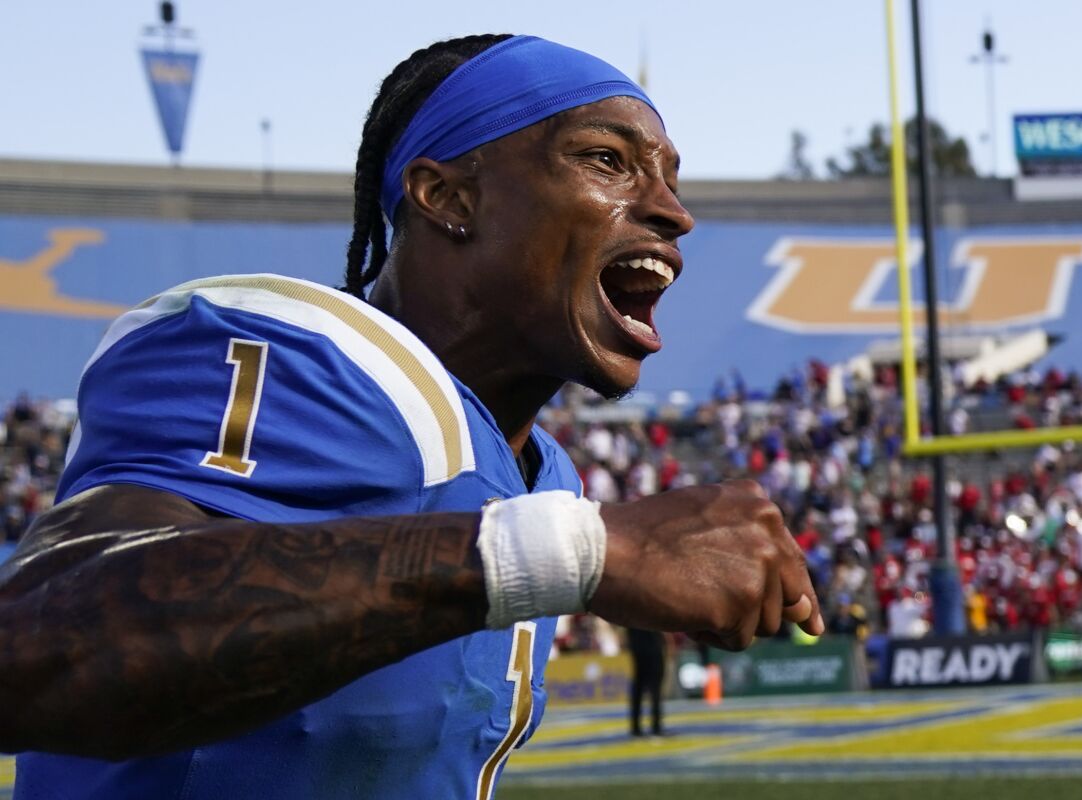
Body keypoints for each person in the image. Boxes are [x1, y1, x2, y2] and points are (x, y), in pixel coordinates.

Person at [0, 34, 823, 799]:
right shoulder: (285, 347)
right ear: (446, 196)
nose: (672, 211)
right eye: (608, 161)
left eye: (670, 178)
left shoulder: (542, 472)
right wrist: (570, 550)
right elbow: (33, 648)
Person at [626, 627, 667, 737]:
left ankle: (636, 727)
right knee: (654, 689)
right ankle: (655, 726)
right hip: (651, 647)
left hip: (638, 647)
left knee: (639, 688)